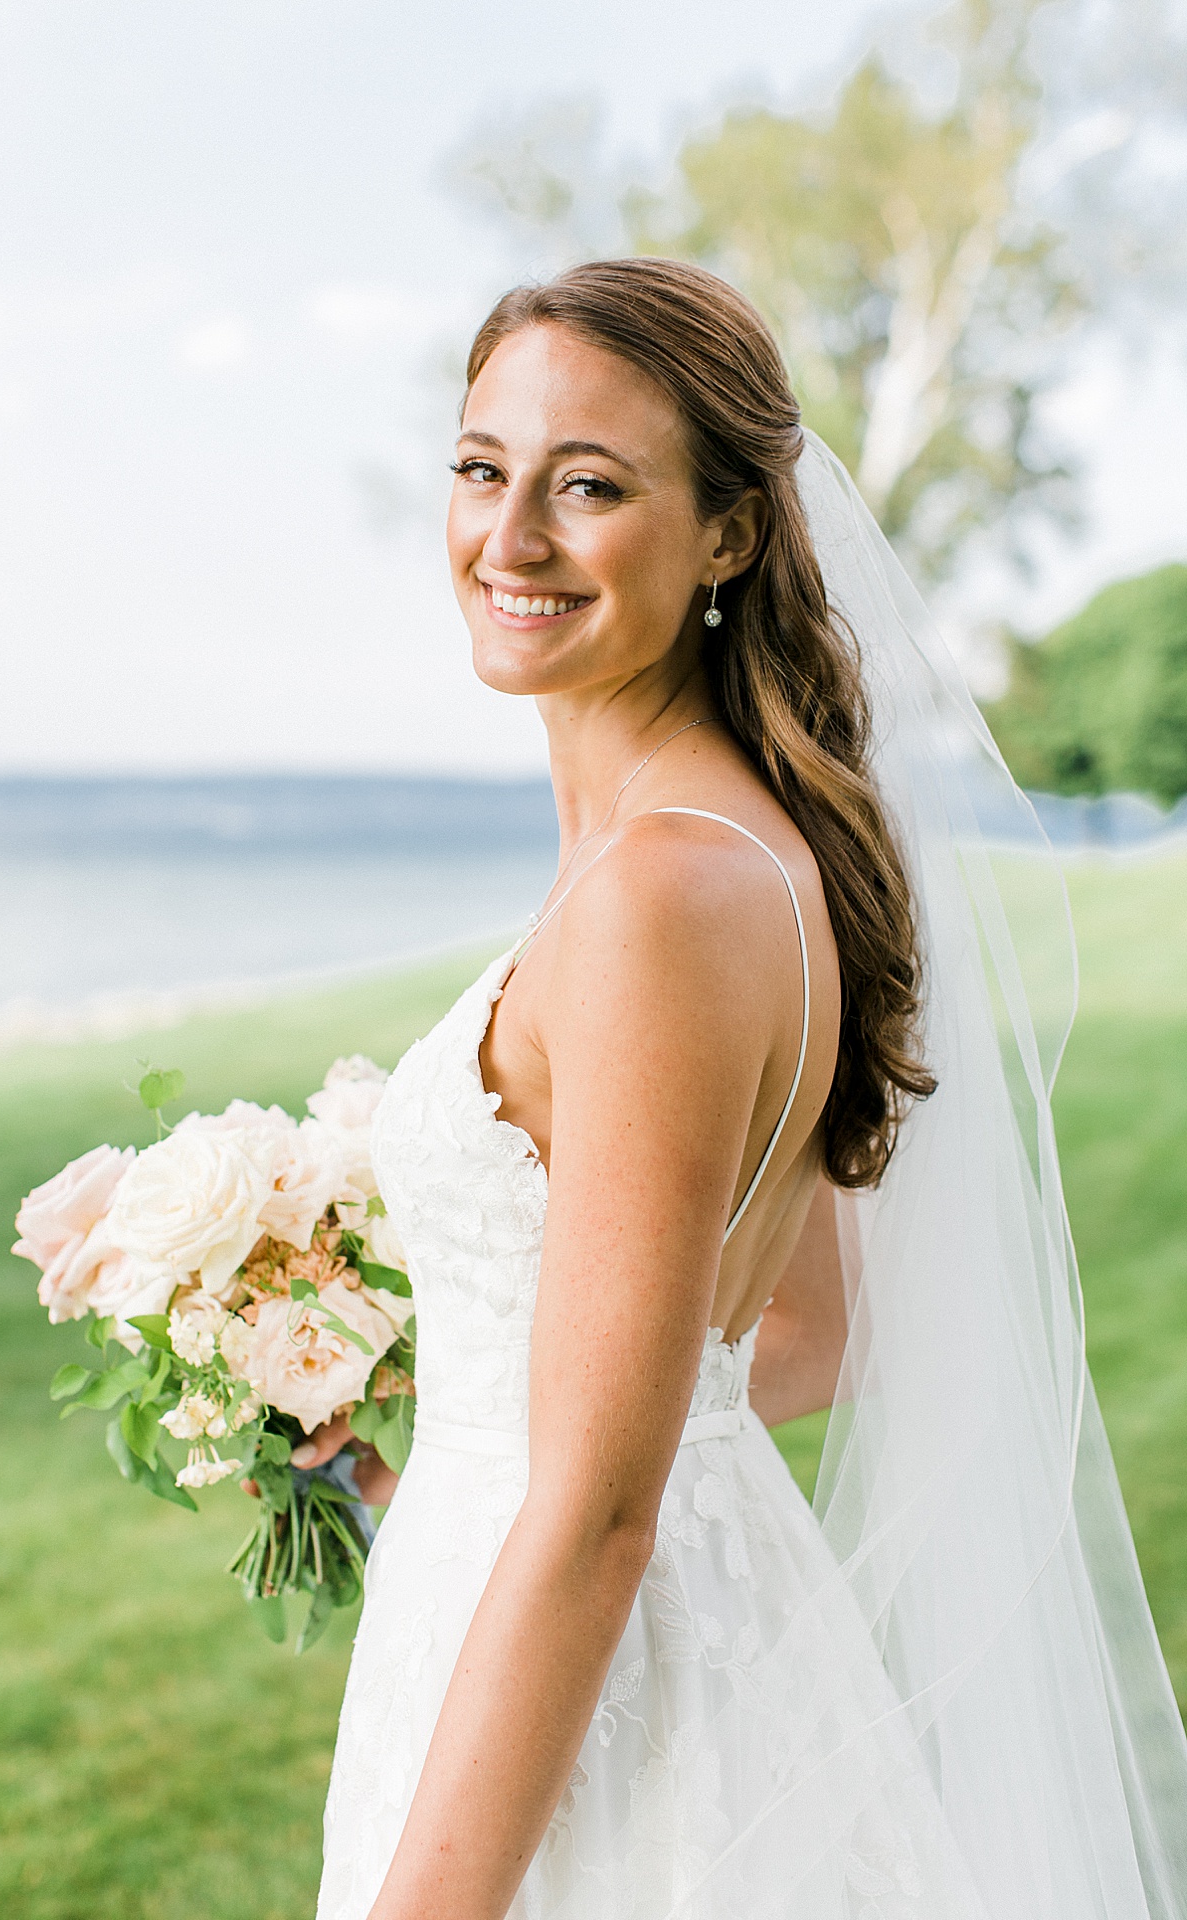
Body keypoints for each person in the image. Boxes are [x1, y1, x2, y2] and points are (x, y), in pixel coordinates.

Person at [304, 259, 1187, 1919]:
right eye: (484, 470)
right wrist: (434, 1457)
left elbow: (606, 1509)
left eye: (591, 487)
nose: (511, 539)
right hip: (621, 1639)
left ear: (729, 533)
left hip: (610, 1716)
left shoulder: (658, 894)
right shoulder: (714, 850)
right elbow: (804, 1327)